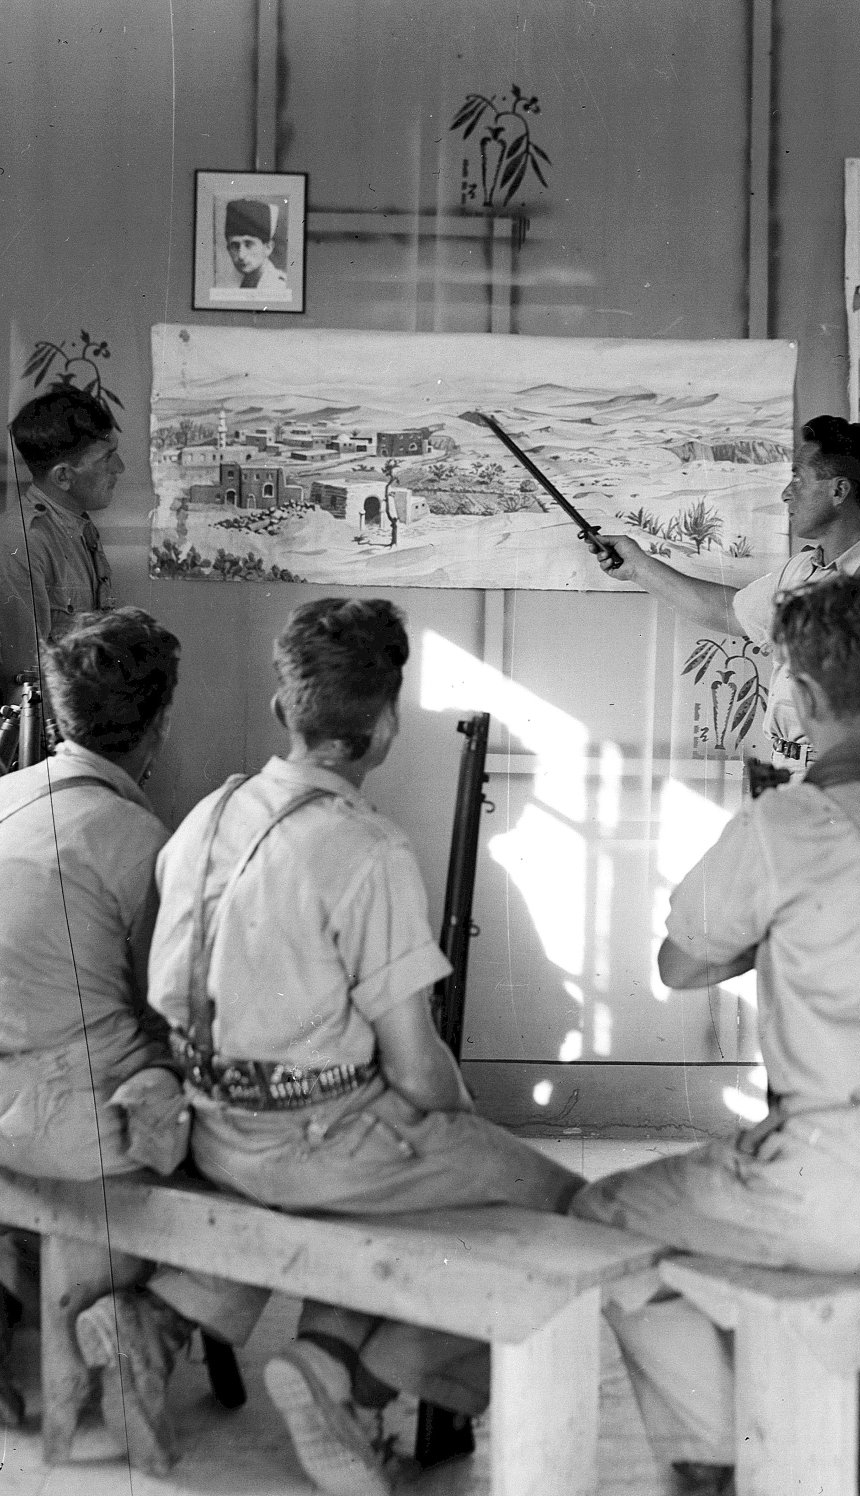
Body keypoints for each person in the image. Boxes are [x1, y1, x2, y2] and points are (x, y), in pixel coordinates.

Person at [571, 571, 860, 1496]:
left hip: (845, 1188)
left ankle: (718, 1457)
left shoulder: (783, 823)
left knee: (600, 1219)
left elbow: (681, 964)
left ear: (804, 695)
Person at [148, 596, 583, 1496]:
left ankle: (320, 1352)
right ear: (386, 725)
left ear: (284, 709)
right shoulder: (367, 848)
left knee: (417, 1183)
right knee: (557, 1212)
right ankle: (352, 1380)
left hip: (208, 1126)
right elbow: (420, 1070)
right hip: (312, 1145)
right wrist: (465, 1140)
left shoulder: (208, 813)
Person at [0, 608, 265, 1470]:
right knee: (267, 1176)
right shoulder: (139, 840)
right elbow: (173, 1012)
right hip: (76, 1131)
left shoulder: (2, 801)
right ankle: (156, 1324)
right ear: (157, 724)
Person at [593, 415, 860, 777]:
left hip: (857, 784)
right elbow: (730, 613)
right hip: (785, 775)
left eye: (797, 479)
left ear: (839, 490)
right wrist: (637, 566)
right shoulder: (800, 570)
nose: (786, 494)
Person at [1, 387, 120, 699]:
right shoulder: (22, 542)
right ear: (64, 476)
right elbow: (23, 687)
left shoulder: (78, 526)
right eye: (107, 458)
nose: (119, 468)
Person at [221, 198, 290, 293]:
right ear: (228, 248)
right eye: (235, 246)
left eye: (248, 244)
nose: (241, 255)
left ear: (268, 247)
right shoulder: (238, 284)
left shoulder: (278, 287)